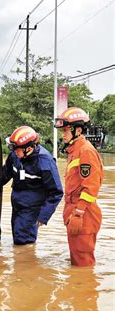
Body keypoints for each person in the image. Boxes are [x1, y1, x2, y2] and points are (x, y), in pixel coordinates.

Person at [54, 107, 103, 266]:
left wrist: (79, 213)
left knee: (83, 264)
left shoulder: (85, 151)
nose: (63, 134)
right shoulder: (74, 151)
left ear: (78, 130)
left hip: (83, 213)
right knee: (76, 259)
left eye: (66, 130)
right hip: (75, 210)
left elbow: (91, 187)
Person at [2, 126, 63, 245]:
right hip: (17, 203)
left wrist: (43, 216)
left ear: (29, 148)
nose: (14, 151)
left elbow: (56, 192)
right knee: (17, 236)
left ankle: (26, 261)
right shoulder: (15, 155)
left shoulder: (45, 162)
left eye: (16, 149)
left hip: (32, 208)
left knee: (23, 241)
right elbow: (4, 174)